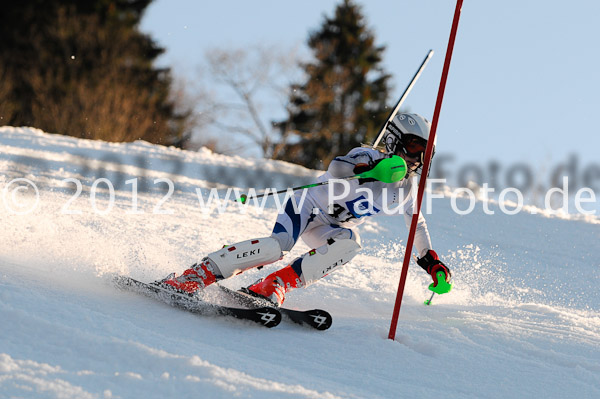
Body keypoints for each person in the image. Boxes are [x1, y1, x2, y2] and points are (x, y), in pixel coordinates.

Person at [156, 112, 451, 306]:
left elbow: (417, 225)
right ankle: (195, 275)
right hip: (306, 206)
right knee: (277, 247)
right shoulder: (368, 154)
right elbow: (337, 167)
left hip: (329, 228)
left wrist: (431, 262)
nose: (418, 157)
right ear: (394, 139)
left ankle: (272, 286)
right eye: (414, 146)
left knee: (351, 244)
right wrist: (373, 168)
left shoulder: (407, 189)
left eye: (425, 151)